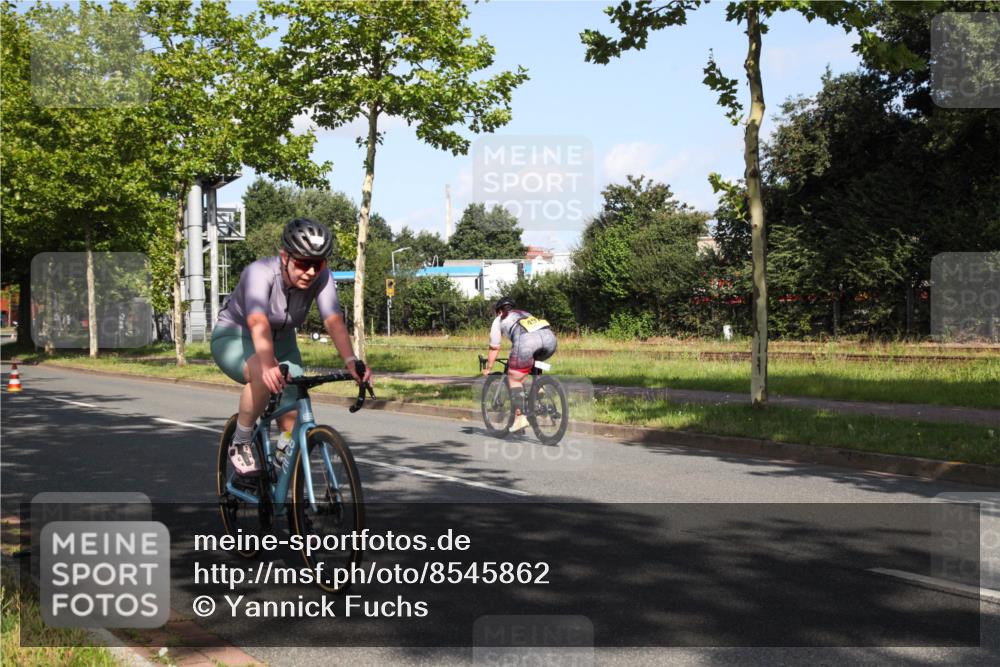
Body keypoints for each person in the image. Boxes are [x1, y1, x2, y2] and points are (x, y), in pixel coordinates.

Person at [211, 218, 372, 476]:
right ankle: (240, 441)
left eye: (317, 264)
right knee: (263, 377)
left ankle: (282, 481)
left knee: (293, 416)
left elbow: (332, 320)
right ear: (285, 256)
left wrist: (351, 360)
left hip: (284, 342)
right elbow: (257, 320)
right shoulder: (259, 272)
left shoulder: (322, 277)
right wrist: (266, 364)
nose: (310, 272)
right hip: (236, 335)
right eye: (302, 263)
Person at [481, 297, 557, 432]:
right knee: (531, 361)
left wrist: (489, 368)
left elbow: (494, 347)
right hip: (550, 339)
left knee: (514, 377)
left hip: (527, 342)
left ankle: (520, 417)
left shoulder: (499, 319)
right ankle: (538, 387)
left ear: (499, 311)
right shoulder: (525, 313)